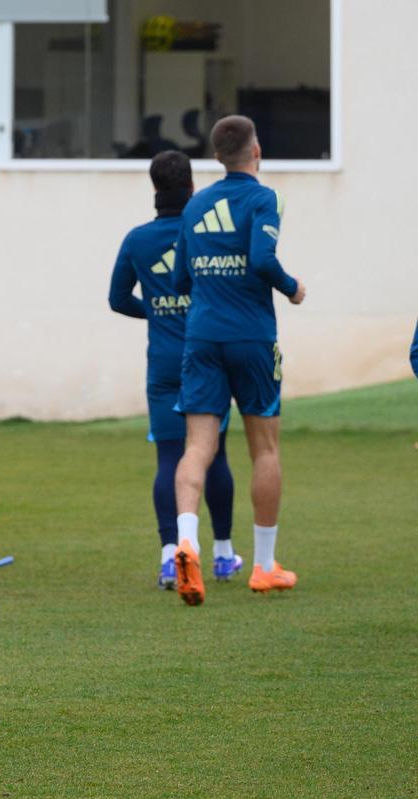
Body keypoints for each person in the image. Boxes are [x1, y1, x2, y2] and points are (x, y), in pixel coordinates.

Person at [172, 115, 306, 606]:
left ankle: (186, 542)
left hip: (202, 336)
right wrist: (292, 289)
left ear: (215, 157)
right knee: (265, 450)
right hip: (251, 336)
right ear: (257, 150)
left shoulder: (195, 204)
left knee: (197, 448)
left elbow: (181, 280)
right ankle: (265, 566)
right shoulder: (263, 198)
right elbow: (262, 258)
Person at [108, 150, 240, 590]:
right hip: (205, 358)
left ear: (155, 190)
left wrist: (158, 312)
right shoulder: (201, 233)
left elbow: (117, 299)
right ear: (190, 189)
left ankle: (170, 557)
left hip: (163, 362)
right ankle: (222, 554)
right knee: (214, 453)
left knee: (169, 457)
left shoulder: (137, 239)